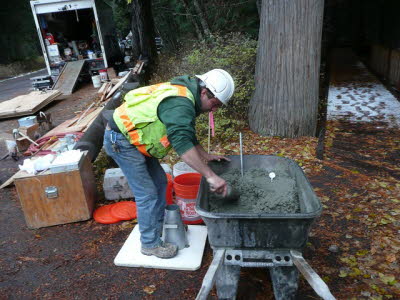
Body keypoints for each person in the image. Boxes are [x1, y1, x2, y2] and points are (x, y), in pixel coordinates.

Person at [103, 69, 235, 259]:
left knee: (160, 184)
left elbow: (186, 132)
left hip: (137, 139)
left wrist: (205, 155)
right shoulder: (180, 102)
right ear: (205, 92)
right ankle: (149, 244)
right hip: (122, 141)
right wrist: (211, 177)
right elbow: (181, 144)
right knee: (147, 193)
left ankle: (158, 227)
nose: (214, 109)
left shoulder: (187, 93)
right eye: (215, 104)